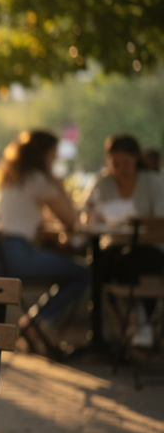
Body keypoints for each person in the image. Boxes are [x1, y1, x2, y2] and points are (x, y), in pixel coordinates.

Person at [0, 131, 89, 344]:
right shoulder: (38, 179)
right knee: (82, 272)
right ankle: (37, 322)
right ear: (44, 154)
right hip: (15, 257)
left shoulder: (5, 177)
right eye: (53, 154)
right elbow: (71, 222)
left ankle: (34, 324)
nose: (55, 159)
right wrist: (59, 186)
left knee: (69, 266)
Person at [85, 135, 164, 347]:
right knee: (100, 263)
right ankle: (104, 332)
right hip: (113, 247)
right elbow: (88, 217)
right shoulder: (102, 182)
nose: (119, 169)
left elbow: (160, 222)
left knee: (126, 260)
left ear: (136, 159)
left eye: (125, 163)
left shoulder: (154, 182)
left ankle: (140, 318)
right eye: (114, 163)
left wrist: (138, 223)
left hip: (150, 247)